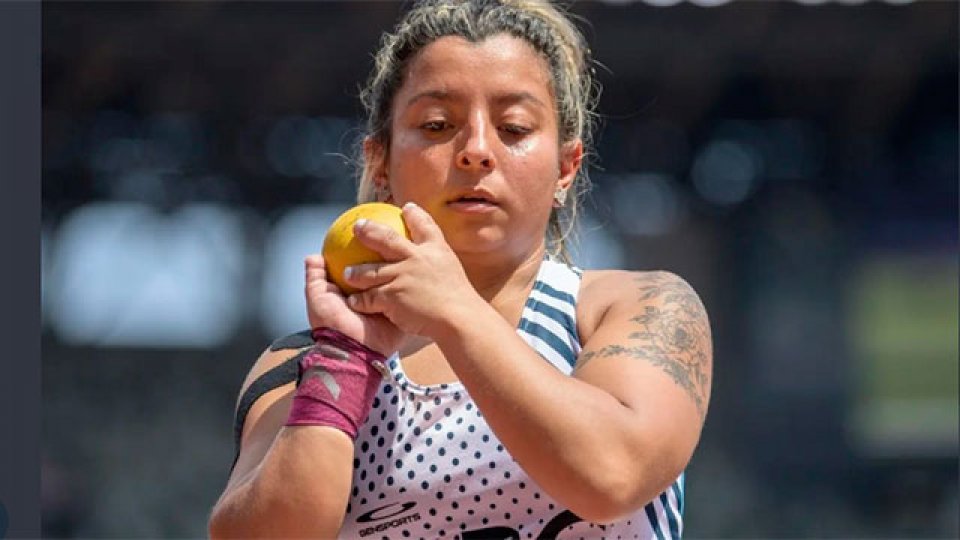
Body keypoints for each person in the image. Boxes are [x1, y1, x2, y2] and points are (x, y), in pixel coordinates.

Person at [208, 0, 712, 537]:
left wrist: (452, 308)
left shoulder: (637, 309)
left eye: (513, 128)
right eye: (436, 125)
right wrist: (346, 363)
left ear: (566, 168)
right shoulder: (305, 364)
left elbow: (611, 477)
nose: (476, 150)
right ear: (380, 163)